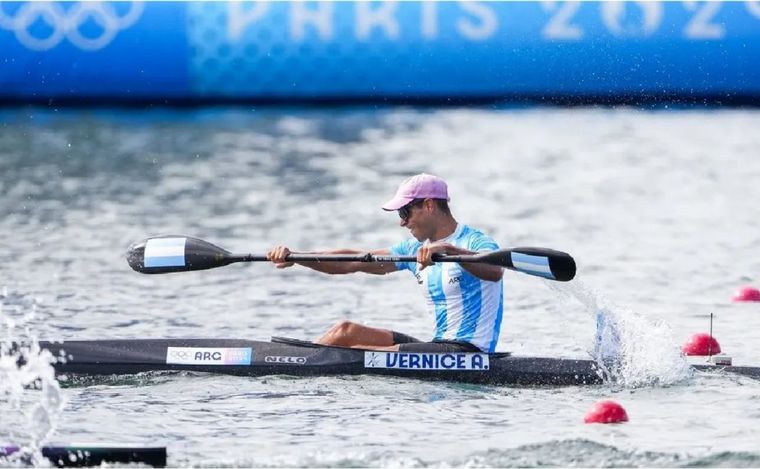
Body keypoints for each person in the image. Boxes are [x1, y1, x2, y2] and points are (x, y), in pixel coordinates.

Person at [267, 173, 504, 353]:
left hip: (468, 352)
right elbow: (353, 261)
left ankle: (299, 366)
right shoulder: (413, 250)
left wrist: (448, 250)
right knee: (345, 332)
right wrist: (297, 258)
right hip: (437, 348)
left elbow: (495, 271)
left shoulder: (476, 241)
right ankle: (300, 360)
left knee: (358, 353)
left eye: (404, 213)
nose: (402, 223)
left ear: (429, 205)